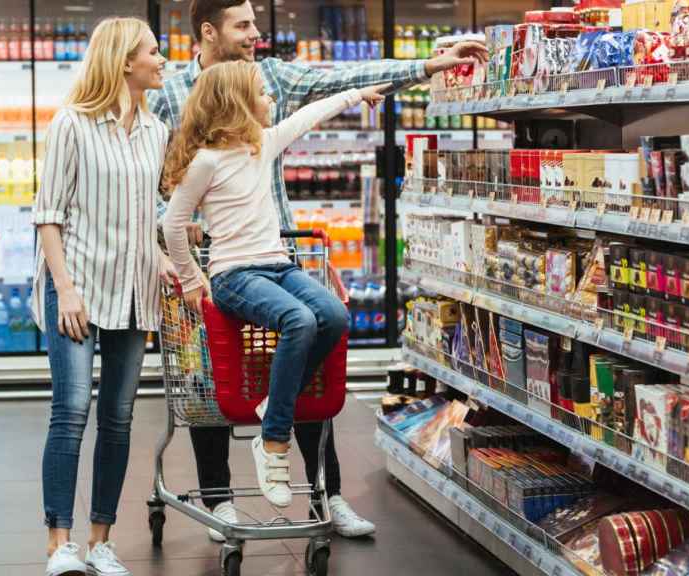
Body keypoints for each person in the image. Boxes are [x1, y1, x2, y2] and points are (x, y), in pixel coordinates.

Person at [149, 0, 488, 540]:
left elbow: (343, 80)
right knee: (211, 384)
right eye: (243, 25)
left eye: (256, 22)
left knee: (308, 357)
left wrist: (426, 66)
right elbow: (156, 181)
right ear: (209, 31)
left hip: (280, 251)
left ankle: (325, 495)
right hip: (216, 266)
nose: (255, 34)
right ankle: (220, 501)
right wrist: (180, 250)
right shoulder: (167, 93)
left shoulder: (272, 78)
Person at [162, 60, 387, 509]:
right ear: (237, 104)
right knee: (299, 321)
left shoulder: (262, 145)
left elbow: (310, 115)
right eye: (263, 94)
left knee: (335, 316)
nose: (270, 101)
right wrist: (191, 278)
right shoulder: (205, 162)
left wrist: (357, 94)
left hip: (278, 266)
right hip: (233, 274)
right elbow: (173, 224)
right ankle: (274, 440)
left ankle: (272, 404)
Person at [32, 17, 175, 576]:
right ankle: (59, 543)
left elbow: (147, 216)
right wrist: (64, 289)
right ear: (123, 62)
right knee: (70, 411)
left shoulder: (156, 131)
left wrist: (161, 257)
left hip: (135, 291)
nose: (162, 61)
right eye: (154, 52)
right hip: (79, 288)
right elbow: (48, 216)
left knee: (117, 418)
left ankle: (101, 541)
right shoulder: (71, 123)